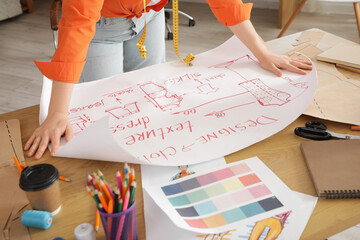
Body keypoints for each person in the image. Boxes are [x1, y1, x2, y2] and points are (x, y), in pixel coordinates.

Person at [24, 0, 312, 159]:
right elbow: (76, 30)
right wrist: (59, 112)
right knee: (102, 114)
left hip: (150, 17)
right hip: (103, 27)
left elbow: (227, 3)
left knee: (151, 99)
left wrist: (263, 53)